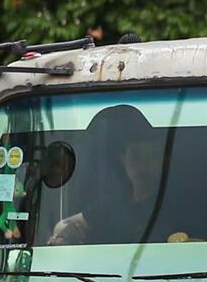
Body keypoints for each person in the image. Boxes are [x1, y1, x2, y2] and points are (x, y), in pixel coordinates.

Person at [49, 104, 172, 245]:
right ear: (123, 160)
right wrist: (67, 233)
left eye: (152, 156)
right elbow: (63, 225)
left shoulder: (174, 206)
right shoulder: (114, 205)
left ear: (163, 162)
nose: (142, 165)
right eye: (136, 155)